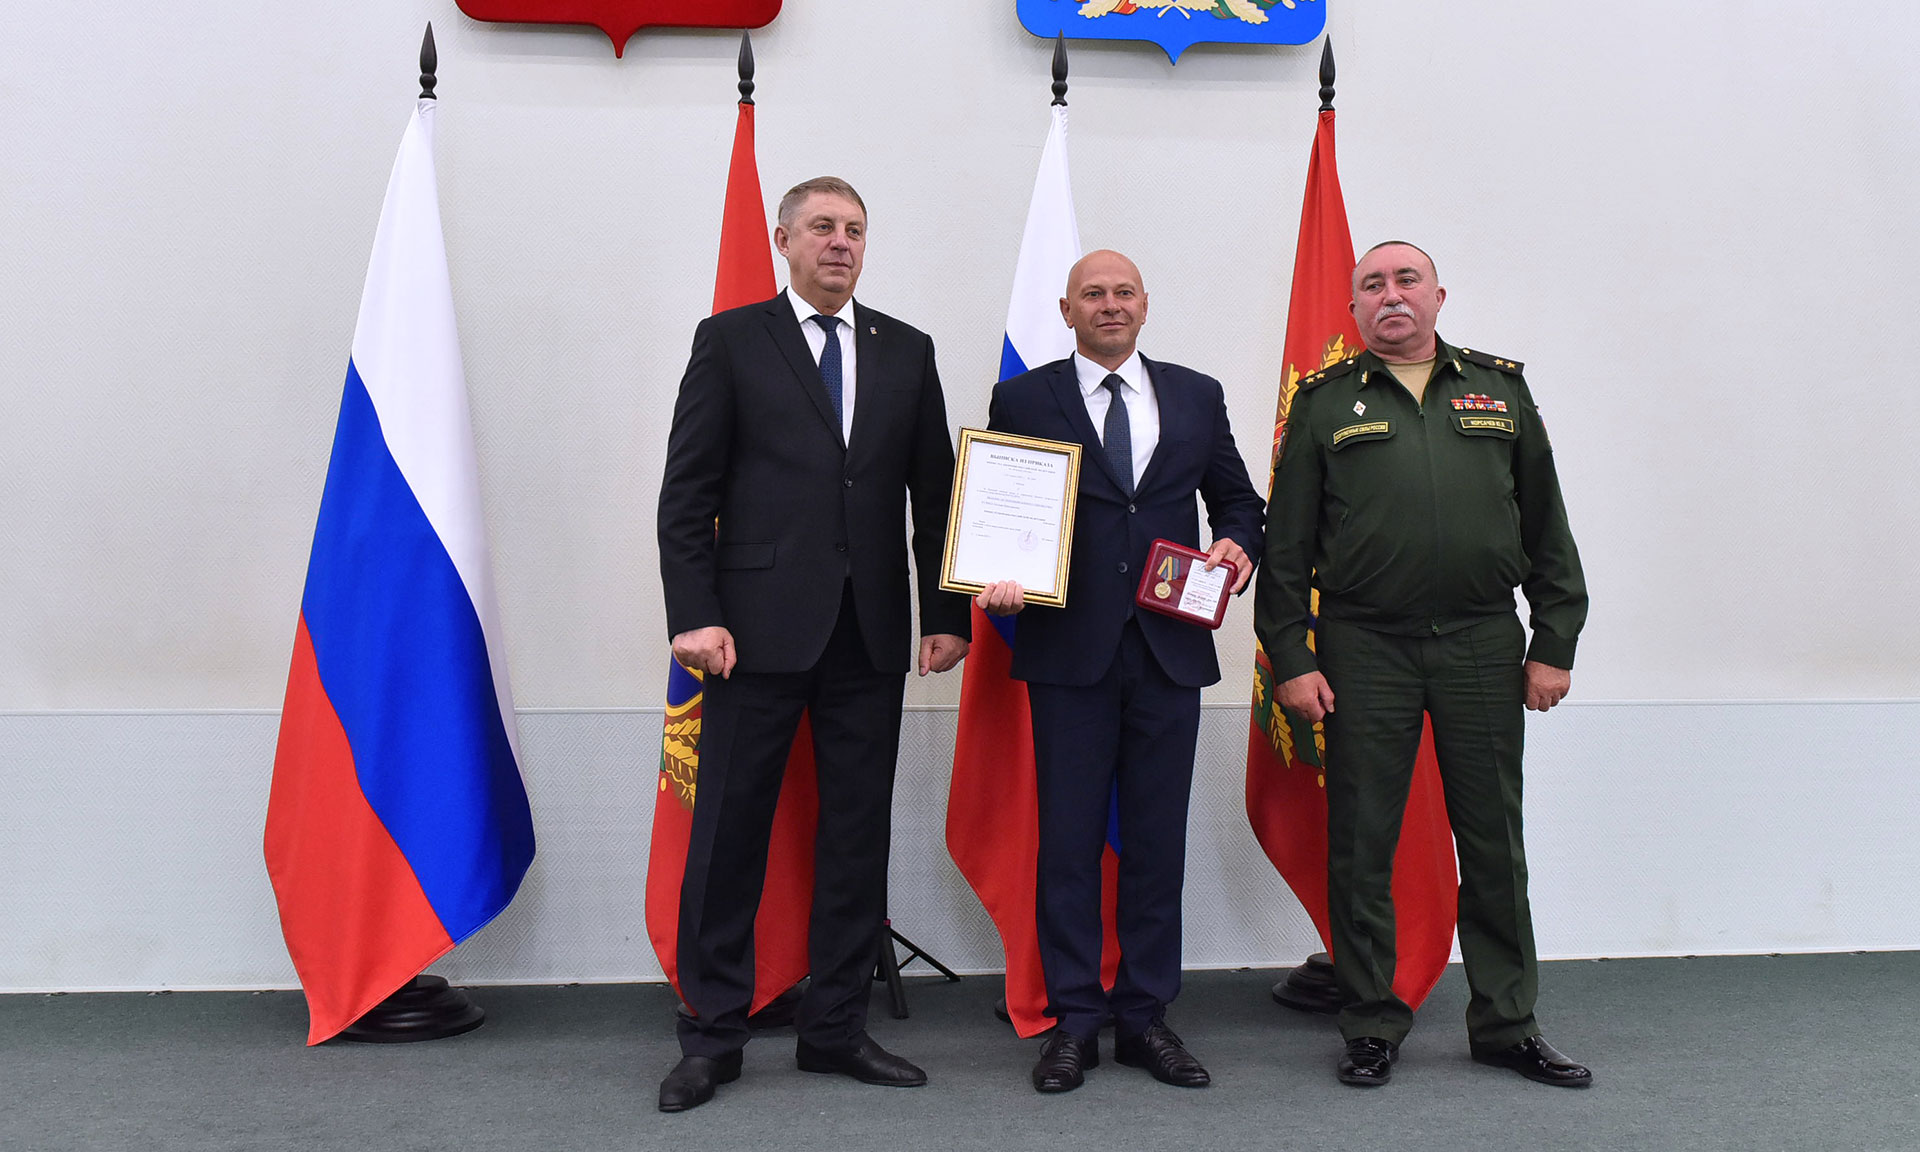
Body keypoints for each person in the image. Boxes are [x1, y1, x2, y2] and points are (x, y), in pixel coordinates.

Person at [654, 176, 971, 1112]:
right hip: (749, 635)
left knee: (855, 838)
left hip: (868, 634)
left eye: (855, 230)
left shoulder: (907, 349)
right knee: (727, 837)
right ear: (783, 239)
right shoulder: (730, 340)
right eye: (823, 227)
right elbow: (687, 493)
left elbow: (934, 497)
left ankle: (834, 1030)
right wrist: (694, 612)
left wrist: (945, 614)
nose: (841, 242)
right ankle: (713, 1036)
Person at [1253, 240, 1591, 1089]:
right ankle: (1370, 1023)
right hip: (1364, 647)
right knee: (1361, 842)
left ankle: (1507, 1024)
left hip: (1482, 642)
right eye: (1373, 285)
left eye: (1408, 280)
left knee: (1494, 842)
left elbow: (1547, 525)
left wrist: (1554, 641)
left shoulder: (1499, 391)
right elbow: (1284, 551)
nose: (1391, 294)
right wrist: (1291, 656)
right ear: (1355, 309)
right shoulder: (1324, 404)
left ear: (1439, 296)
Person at [977, 250, 1265, 1094]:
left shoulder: (1196, 395)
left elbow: (1239, 502)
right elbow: (999, 504)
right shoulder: (1024, 399)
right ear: (1066, 310)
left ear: (1145, 305)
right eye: (1093, 294)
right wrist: (996, 574)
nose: (1110, 304)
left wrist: (1237, 545)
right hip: (1068, 652)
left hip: (1169, 649)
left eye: (1124, 292)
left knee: (1155, 843)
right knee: (1067, 845)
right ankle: (1073, 1021)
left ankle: (1144, 1017)